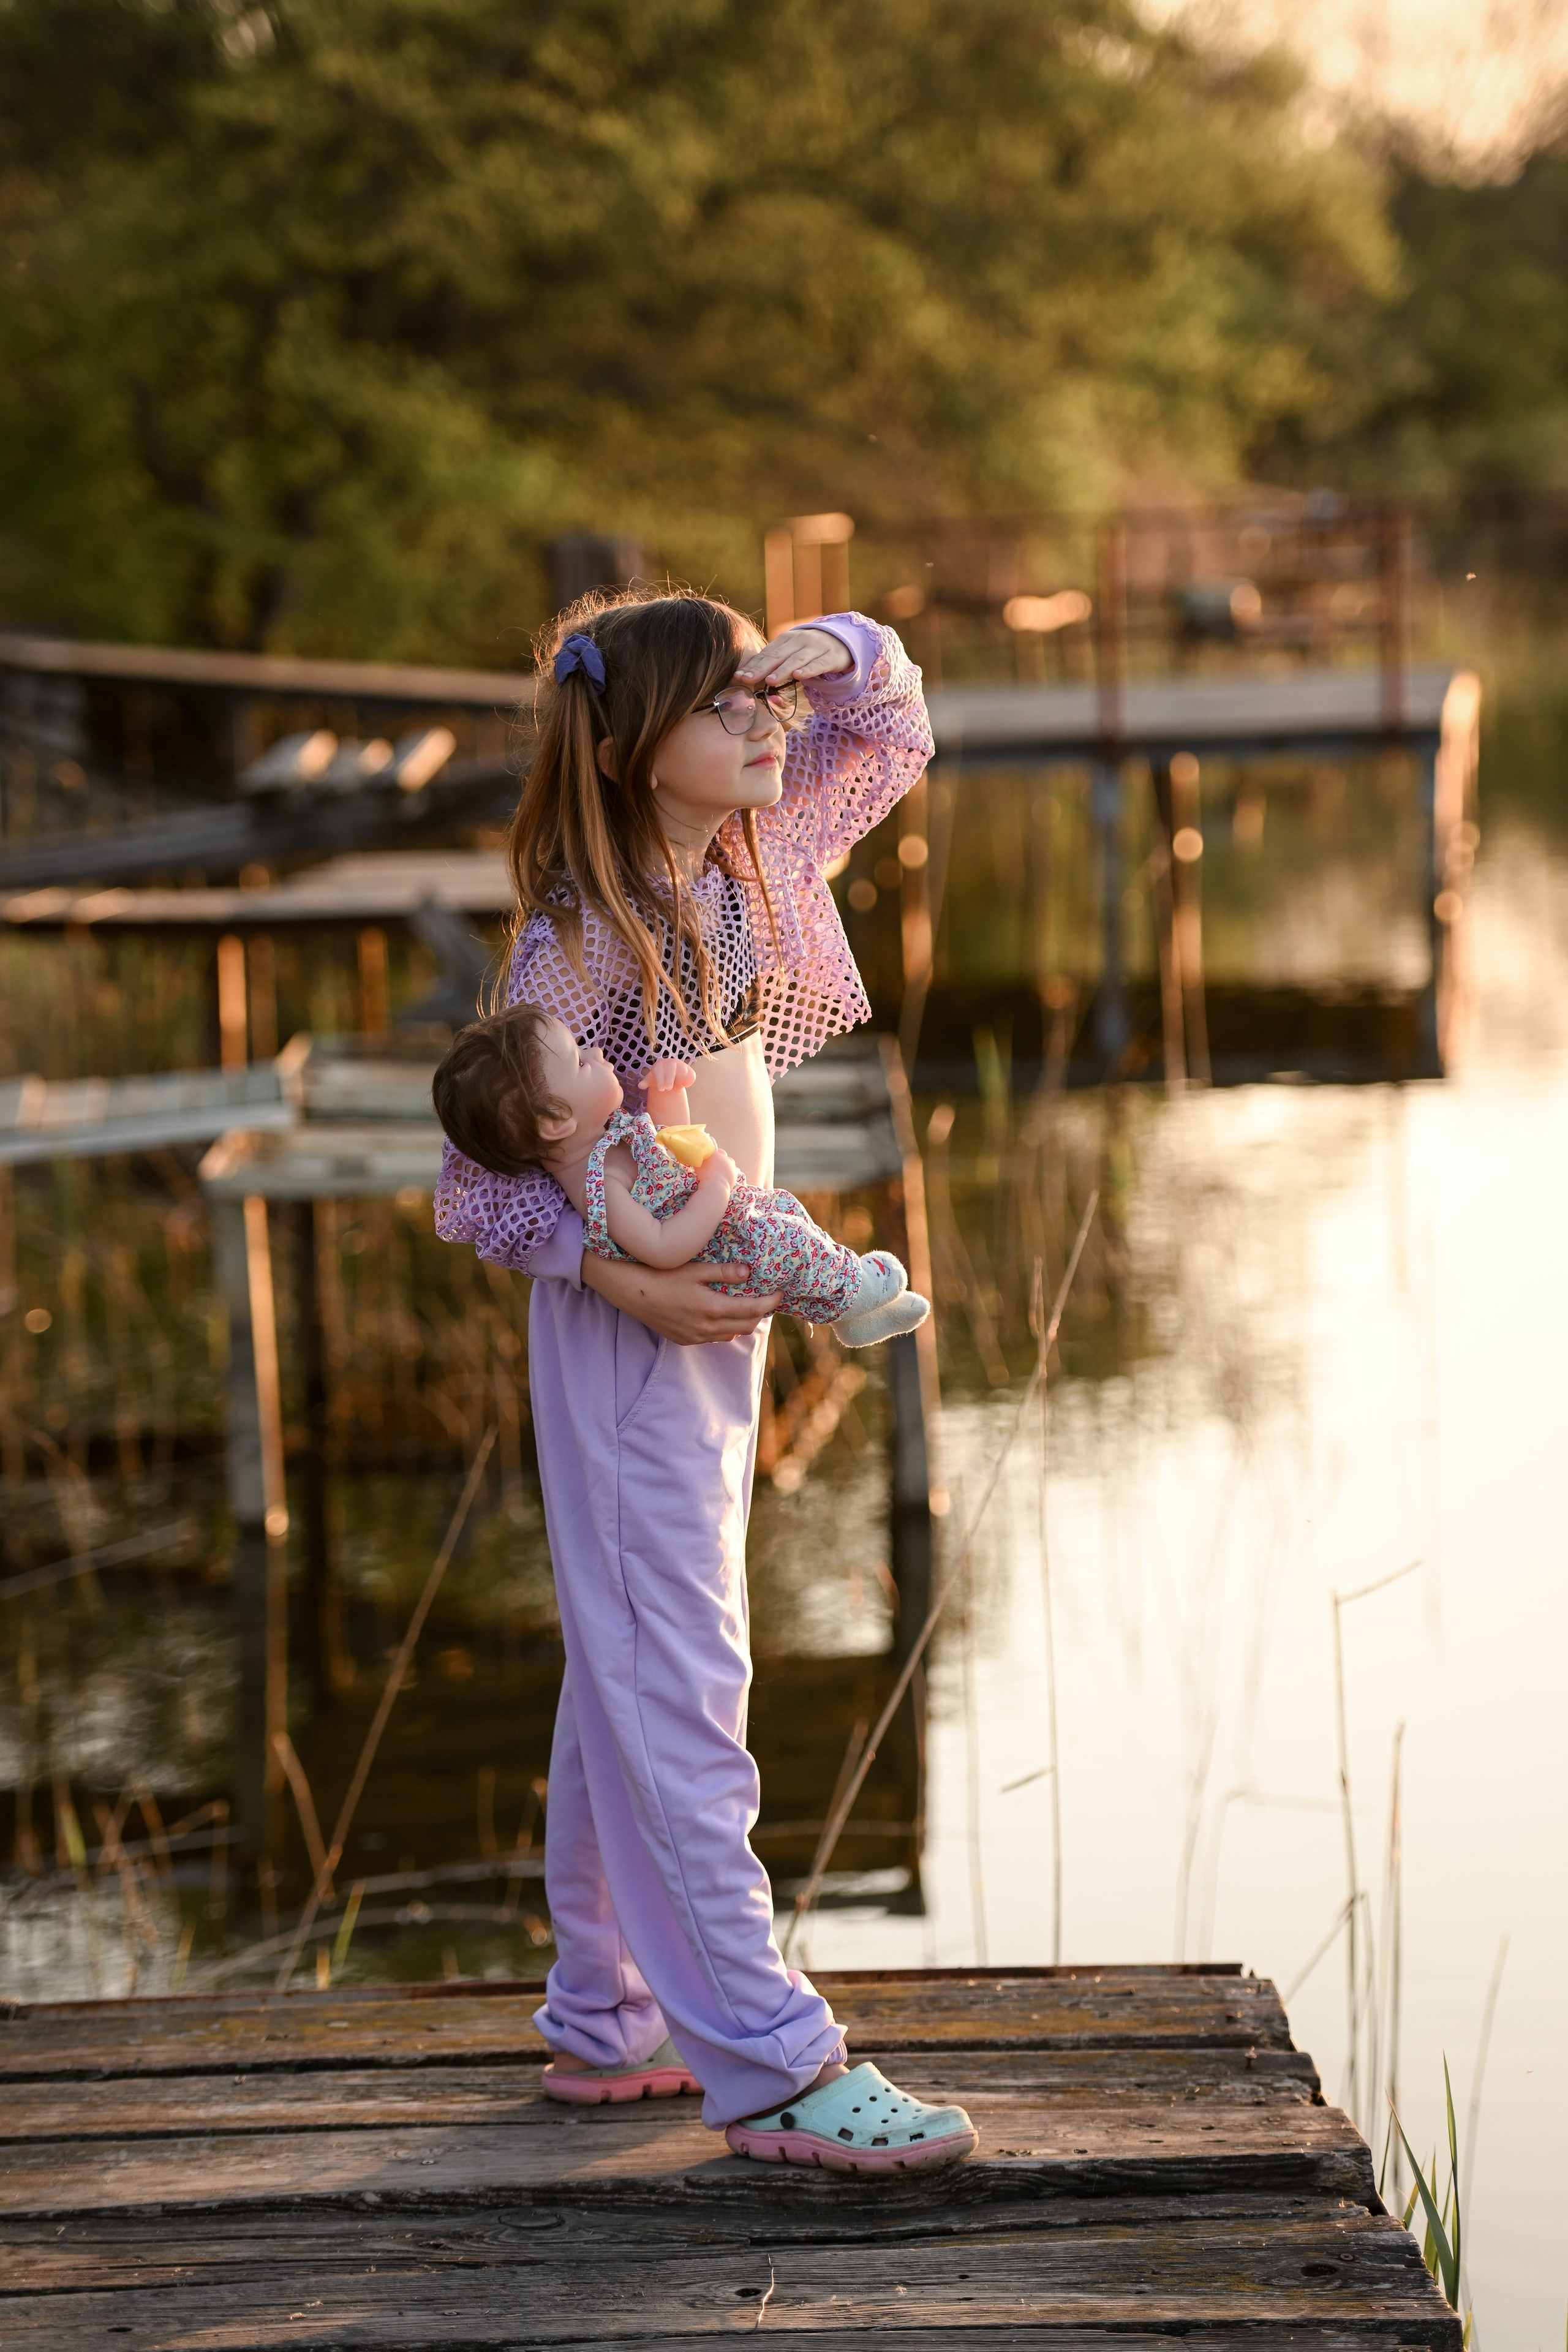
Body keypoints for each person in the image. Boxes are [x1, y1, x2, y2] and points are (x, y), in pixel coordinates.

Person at [435, 587, 976, 2173]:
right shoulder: (576, 940)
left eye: (762, 699)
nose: (763, 725)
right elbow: (473, 1191)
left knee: (632, 1664)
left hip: (713, 1341)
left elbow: (893, 734)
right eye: (725, 703)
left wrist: (841, 649)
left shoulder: (746, 866)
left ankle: (607, 2020)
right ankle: (773, 2061)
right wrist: (623, 1276)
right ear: (626, 748)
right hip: (628, 1350)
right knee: (680, 1682)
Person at [431, 1006, 931, 1346]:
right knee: (786, 1241)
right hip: (721, 1251)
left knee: (786, 1215)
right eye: (583, 1062)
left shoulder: (610, 1139)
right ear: (556, 1122)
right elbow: (666, 1246)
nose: (598, 1055)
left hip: (729, 1231)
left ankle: (848, 1314)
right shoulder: (597, 1188)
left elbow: (672, 1145)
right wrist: (717, 1186)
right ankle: (862, 1286)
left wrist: (669, 1093)